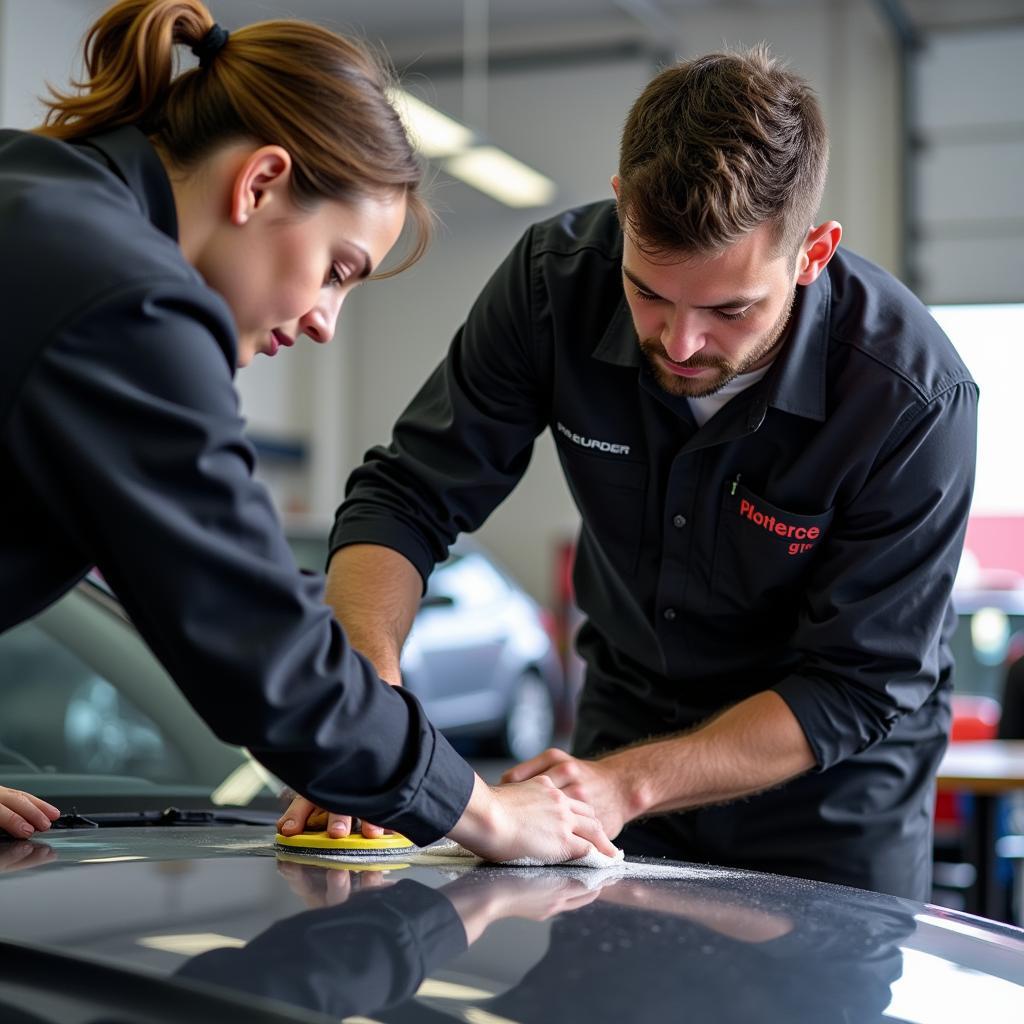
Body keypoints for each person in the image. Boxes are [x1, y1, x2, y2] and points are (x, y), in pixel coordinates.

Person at [283, 46, 978, 899]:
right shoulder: (552, 284)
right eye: (649, 293)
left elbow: (857, 684)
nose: (681, 346)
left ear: (813, 253)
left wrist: (625, 786)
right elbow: (409, 496)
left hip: (826, 798)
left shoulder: (911, 396)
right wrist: (364, 708)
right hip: (617, 744)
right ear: (622, 213)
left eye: (730, 309)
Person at [0, 0, 616, 865]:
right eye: (337, 270)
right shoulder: (123, 299)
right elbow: (259, 646)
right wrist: (491, 815)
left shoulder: (36, 193)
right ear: (259, 183)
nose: (326, 321)